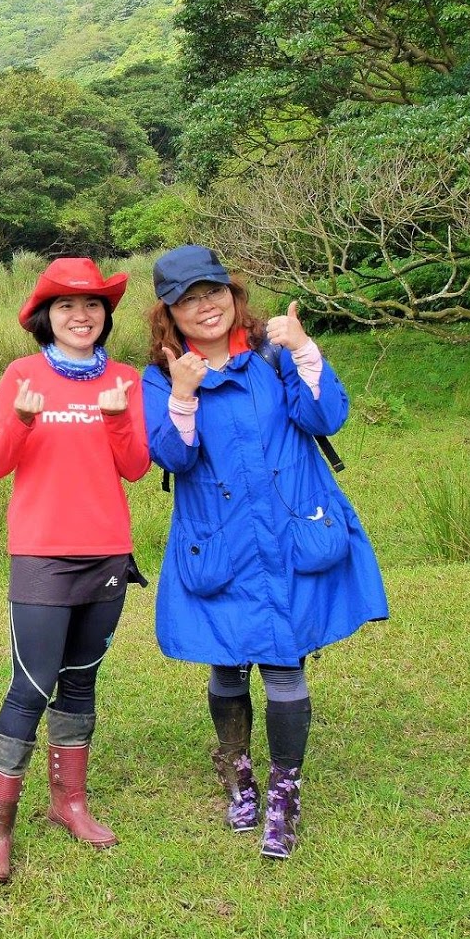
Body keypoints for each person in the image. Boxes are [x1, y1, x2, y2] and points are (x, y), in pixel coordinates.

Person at [141, 244, 388, 860]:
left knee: (284, 664)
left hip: (284, 535)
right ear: (169, 313)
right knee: (227, 664)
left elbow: (325, 416)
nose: (206, 307)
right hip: (219, 540)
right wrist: (183, 395)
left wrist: (304, 349)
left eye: (214, 292)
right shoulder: (160, 377)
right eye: (189, 300)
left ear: (233, 296)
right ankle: (238, 775)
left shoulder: (273, 357)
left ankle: (284, 793)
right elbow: (171, 457)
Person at [0, 257, 150, 883]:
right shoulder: (22, 375)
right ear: (46, 316)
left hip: (106, 551)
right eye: (68, 305)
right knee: (31, 684)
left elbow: (136, 467)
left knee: (79, 682)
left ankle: (69, 803)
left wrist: (117, 415)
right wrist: (22, 419)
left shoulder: (124, 379)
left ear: (106, 315)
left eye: (93, 304)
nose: (82, 315)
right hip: (42, 553)